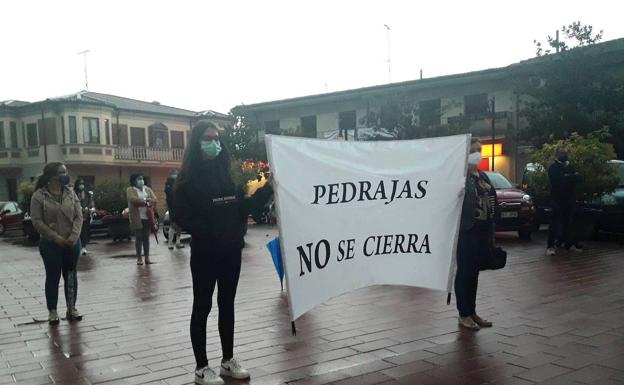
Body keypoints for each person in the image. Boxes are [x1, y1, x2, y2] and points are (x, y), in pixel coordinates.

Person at [174, 120, 269, 385]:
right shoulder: (185, 182)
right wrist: (213, 232)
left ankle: (228, 360)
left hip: (230, 252)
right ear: (196, 143)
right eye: (207, 138)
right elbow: (184, 217)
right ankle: (201, 366)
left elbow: (242, 209)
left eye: (216, 138)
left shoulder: (227, 176)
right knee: (202, 307)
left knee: (227, 305)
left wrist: (264, 190)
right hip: (205, 253)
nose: (213, 142)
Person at [30, 162, 83, 324]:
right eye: (62, 172)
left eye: (65, 171)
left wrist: (73, 237)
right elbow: (37, 222)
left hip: (72, 243)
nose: (65, 175)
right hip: (51, 244)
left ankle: (71, 308)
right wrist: (57, 238)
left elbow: (78, 217)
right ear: (52, 175)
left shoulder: (71, 193)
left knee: (71, 276)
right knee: (53, 277)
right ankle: (52, 311)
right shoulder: (39, 196)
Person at [455, 138, 496, 331]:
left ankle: (472, 312)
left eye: (479, 149)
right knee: (464, 272)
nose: (477, 153)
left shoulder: (483, 176)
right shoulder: (460, 176)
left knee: (474, 273)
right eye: (473, 150)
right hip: (467, 231)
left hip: (483, 230)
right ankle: (463, 314)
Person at [546, 148, 582, 256]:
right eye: (562, 153)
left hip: (569, 199)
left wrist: (569, 177)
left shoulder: (569, 166)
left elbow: (579, 178)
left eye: (565, 153)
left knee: (568, 223)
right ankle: (550, 246)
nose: (564, 155)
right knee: (554, 223)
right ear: (557, 155)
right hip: (557, 199)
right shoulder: (553, 167)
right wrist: (571, 177)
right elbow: (559, 181)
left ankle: (568, 244)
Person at [126, 173, 158, 265]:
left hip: (147, 216)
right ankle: (139, 258)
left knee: (146, 238)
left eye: (142, 178)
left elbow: (155, 199)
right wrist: (146, 201)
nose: (141, 180)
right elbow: (133, 199)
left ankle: (147, 258)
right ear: (134, 180)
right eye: (139, 179)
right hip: (137, 217)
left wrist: (145, 202)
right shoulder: (130, 190)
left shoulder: (147, 189)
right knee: (139, 238)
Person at [165, 169, 184, 250]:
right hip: (172, 207)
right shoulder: (168, 184)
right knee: (173, 224)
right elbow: (169, 196)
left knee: (179, 225)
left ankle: (178, 242)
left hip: (180, 206)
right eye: (174, 173)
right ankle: (170, 242)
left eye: (176, 173)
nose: (176, 175)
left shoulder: (179, 183)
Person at [74, 178, 94, 255]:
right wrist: (80, 208)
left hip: (86, 215)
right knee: (78, 232)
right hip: (76, 216)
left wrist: (89, 208)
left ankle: (83, 247)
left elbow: (91, 203)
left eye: (82, 184)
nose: (81, 185)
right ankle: (78, 246)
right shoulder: (73, 193)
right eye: (80, 184)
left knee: (85, 231)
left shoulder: (87, 194)